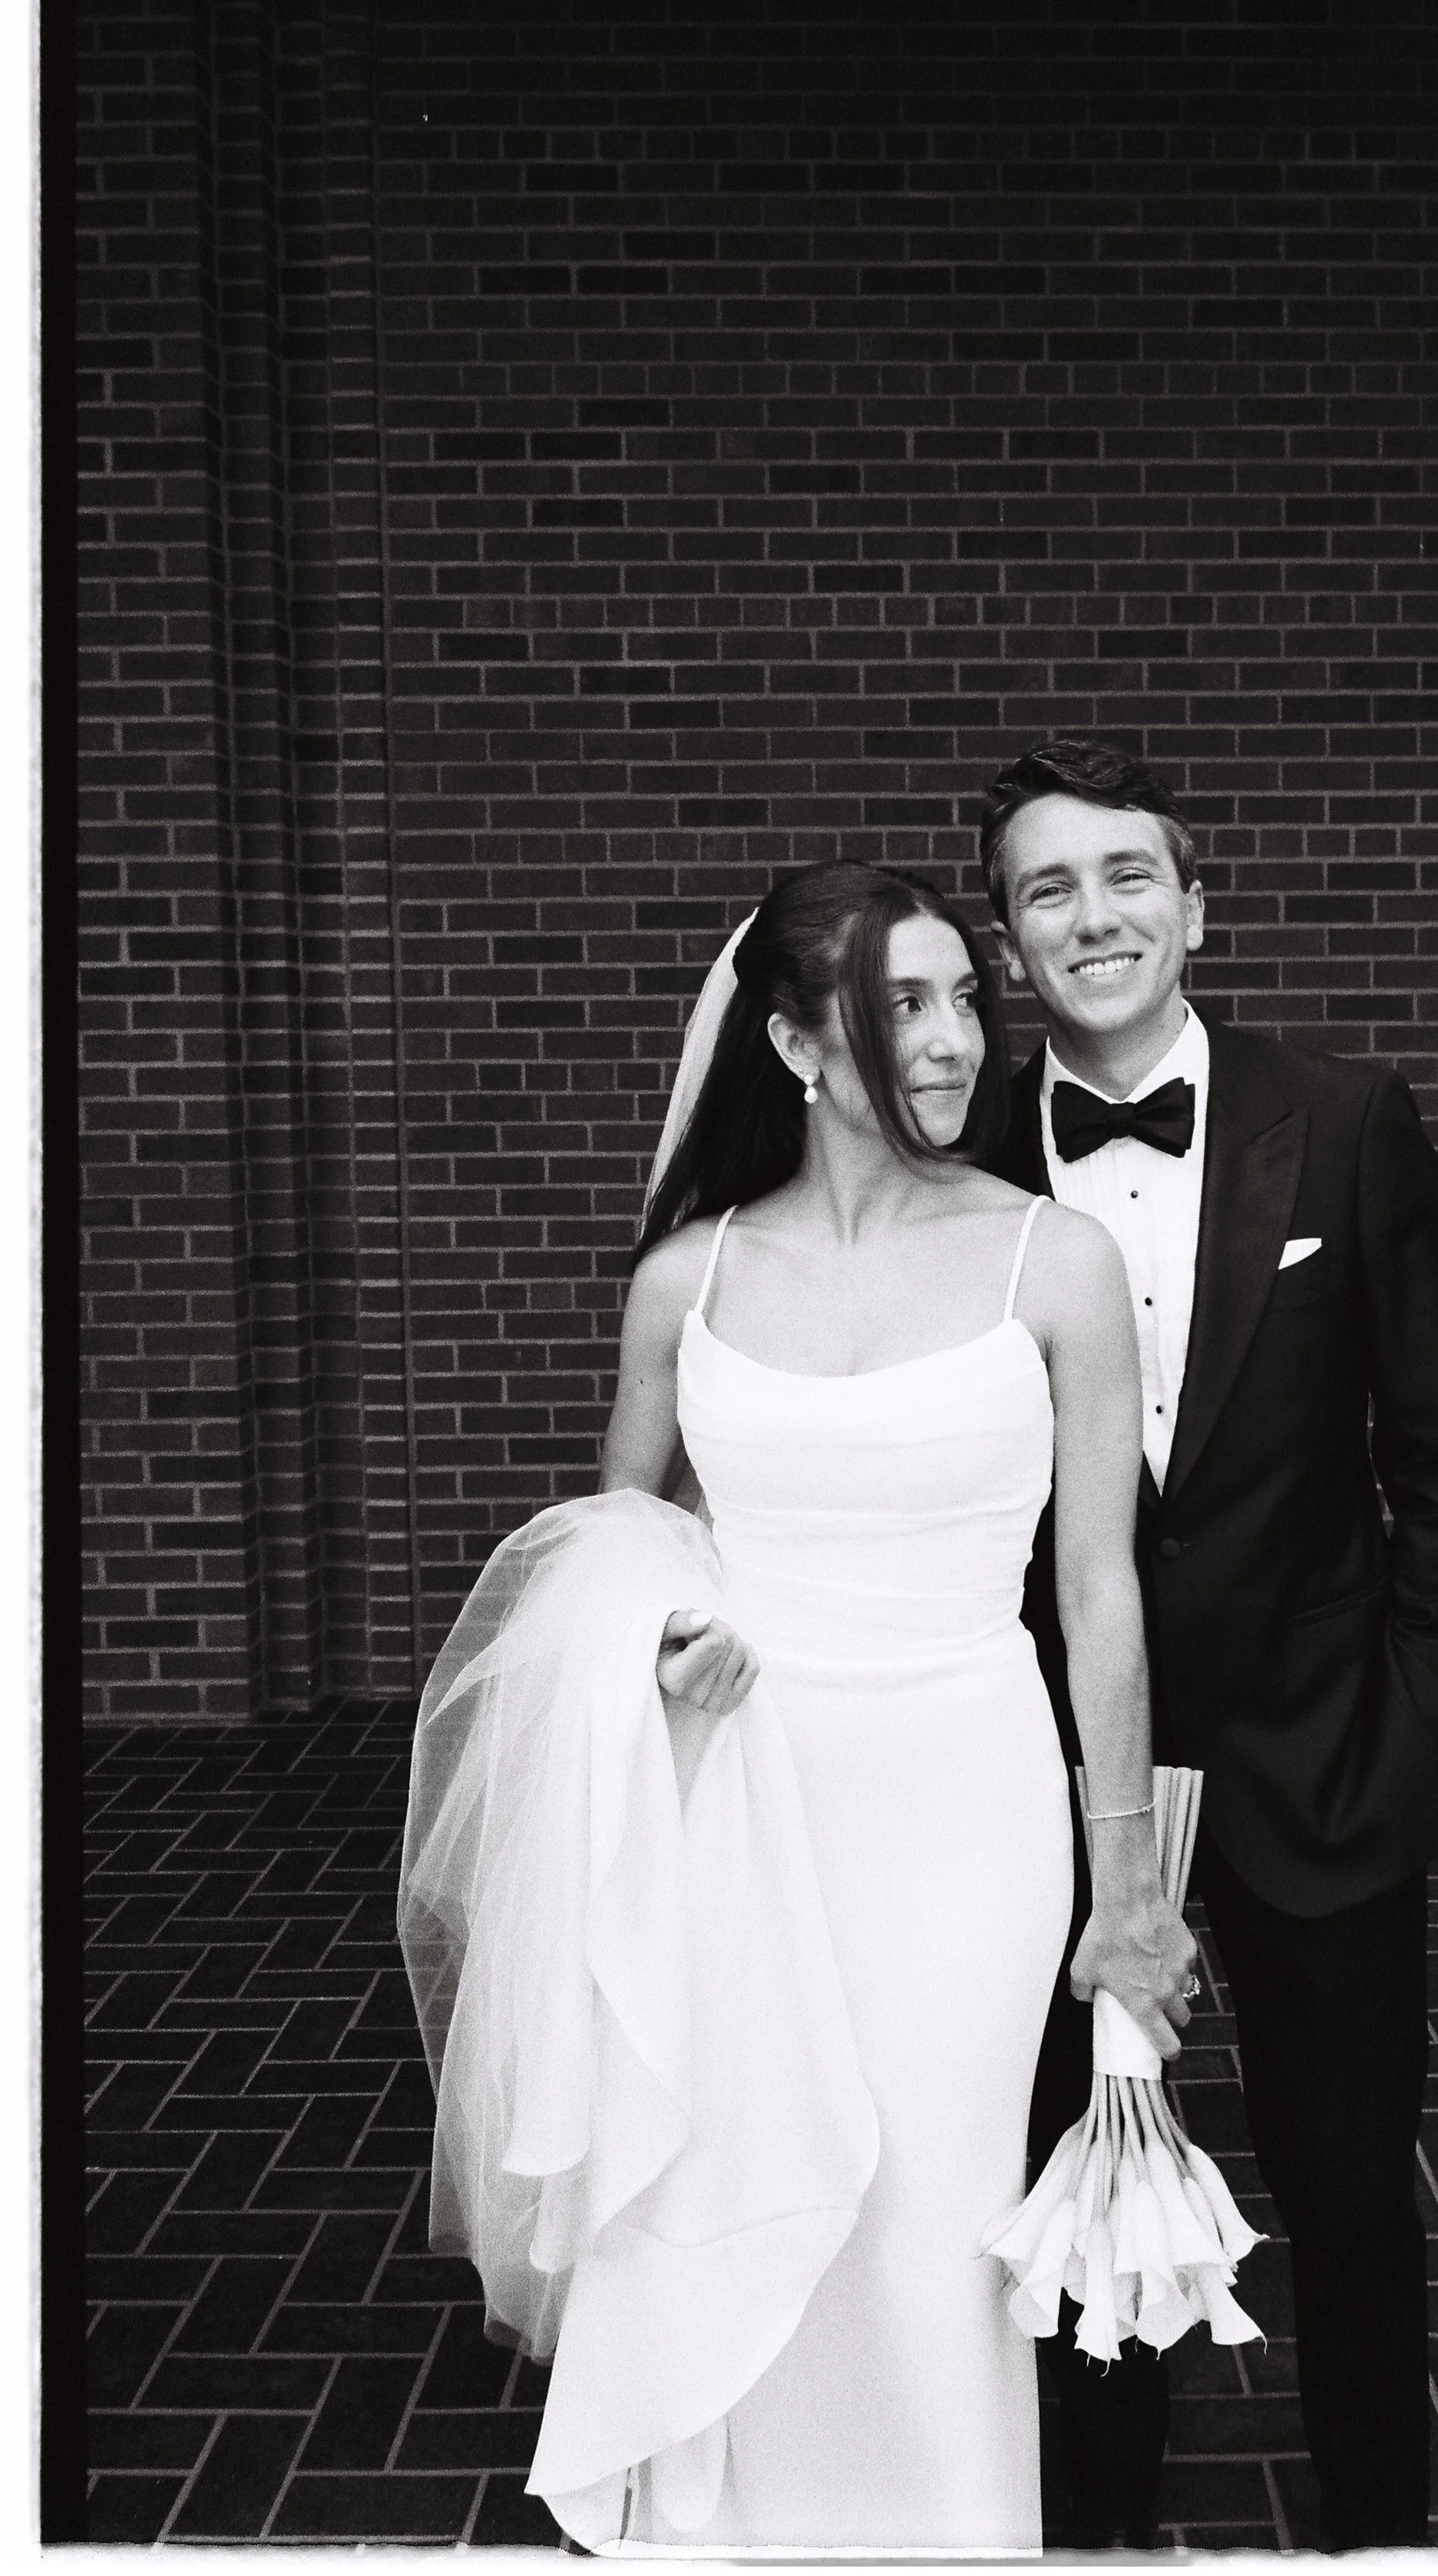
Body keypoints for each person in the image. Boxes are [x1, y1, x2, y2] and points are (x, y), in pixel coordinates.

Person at [401, 858, 1196, 2555]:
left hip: (968, 1804)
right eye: (902, 1002)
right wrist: (676, 1637)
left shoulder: (1049, 1262)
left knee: (925, 2202)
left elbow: (1101, 1590)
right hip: (743, 1795)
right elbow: (616, 1557)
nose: (955, 1034)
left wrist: (1126, 1884)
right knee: (747, 2176)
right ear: (792, 1042)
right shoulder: (684, 1283)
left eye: (964, 997)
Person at [983, 741, 1438, 2555]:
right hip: (1047, 1772)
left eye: (1125, 874)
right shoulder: (955, 1151)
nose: (1092, 913)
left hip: (1320, 1749)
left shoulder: (1346, 1116)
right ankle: (1094, 2521)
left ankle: (1372, 2525)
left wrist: (1420, 1711)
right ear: (1006, 946)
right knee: (1062, 2156)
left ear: (1193, 907)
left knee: (1350, 2176)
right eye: (1046, 887)